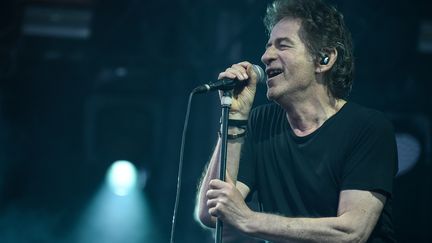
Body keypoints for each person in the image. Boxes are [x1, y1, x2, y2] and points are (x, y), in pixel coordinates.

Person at [195, 0, 398, 242]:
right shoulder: (260, 123)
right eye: (268, 46)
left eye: (283, 46)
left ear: (324, 59)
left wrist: (249, 219)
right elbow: (211, 214)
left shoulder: (368, 128)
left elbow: (351, 232)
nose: (266, 56)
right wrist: (234, 118)